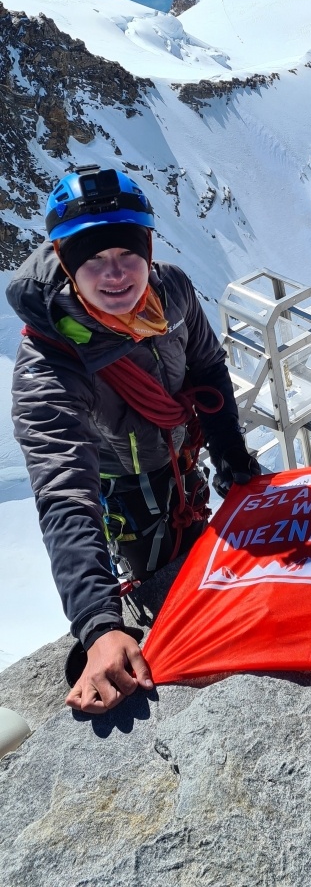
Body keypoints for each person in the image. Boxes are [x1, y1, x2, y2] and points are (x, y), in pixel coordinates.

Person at [7, 165, 258, 715]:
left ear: (147, 251)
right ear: (69, 267)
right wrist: (99, 626)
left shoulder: (169, 292)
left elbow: (208, 369)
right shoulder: (49, 366)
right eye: (93, 261)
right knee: (162, 578)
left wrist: (234, 463)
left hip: (181, 458)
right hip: (125, 489)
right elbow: (65, 494)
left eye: (127, 257)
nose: (116, 275)